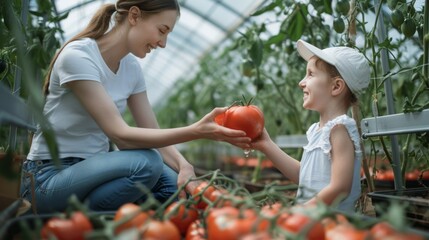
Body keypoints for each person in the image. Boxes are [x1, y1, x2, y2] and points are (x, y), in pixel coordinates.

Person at [20, 0, 251, 214]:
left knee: (173, 190)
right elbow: (121, 136)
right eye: (162, 30)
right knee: (147, 162)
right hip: (47, 179)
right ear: (134, 16)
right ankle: (79, 217)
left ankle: (97, 215)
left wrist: (184, 165)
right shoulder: (79, 56)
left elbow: (152, 130)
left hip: (92, 172)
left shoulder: (131, 69)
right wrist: (197, 131)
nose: (163, 43)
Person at [251, 39, 370, 212]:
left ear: (336, 86)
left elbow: (340, 188)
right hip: (312, 223)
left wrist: (299, 212)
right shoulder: (318, 130)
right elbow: (304, 176)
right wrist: (267, 145)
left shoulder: (340, 129)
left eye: (310, 74)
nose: (301, 82)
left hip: (332, 225)